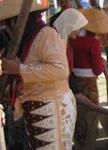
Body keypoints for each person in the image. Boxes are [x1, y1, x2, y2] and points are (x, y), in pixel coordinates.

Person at [2, 2, 87, 148]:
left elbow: (60, 70)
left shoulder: (46, 34)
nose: (7, 28)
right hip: (35, 108)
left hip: (53, 109)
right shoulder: (28, 38)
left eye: (9, 23)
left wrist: (19, 69)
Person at [69, 8, 108, 150]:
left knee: (77, 116)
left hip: (74, 81)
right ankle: (88, 146)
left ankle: (78, 143)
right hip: (89, 84)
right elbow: (98, 69)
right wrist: (103, 63)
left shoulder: (73, 38)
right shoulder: (93, 42)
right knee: (91, 115)